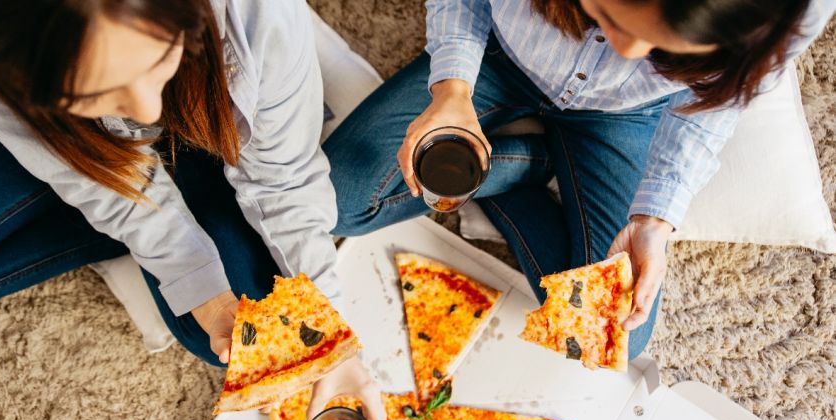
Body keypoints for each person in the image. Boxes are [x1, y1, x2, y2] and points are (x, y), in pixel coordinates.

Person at [0, 0, 386, 420]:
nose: (148, 108)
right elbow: (105, 185)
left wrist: (331, 338)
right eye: (98, 94)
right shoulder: (3, 56)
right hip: (84, 149)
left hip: (215, 93)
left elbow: (285, 181)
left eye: (157, 56)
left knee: (233, 330)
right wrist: (198, 284)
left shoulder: (261, 12)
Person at [325, 0, 836, 358]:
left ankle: (519, 170)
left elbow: (715, 103)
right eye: (611, 17)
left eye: (666, 48)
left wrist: (656, 219)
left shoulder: (788, 10)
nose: (631, 52)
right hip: (498, 55)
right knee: (337, 205)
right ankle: (529, 166)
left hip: (625, 112)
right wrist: (452, 89)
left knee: (608, 332)